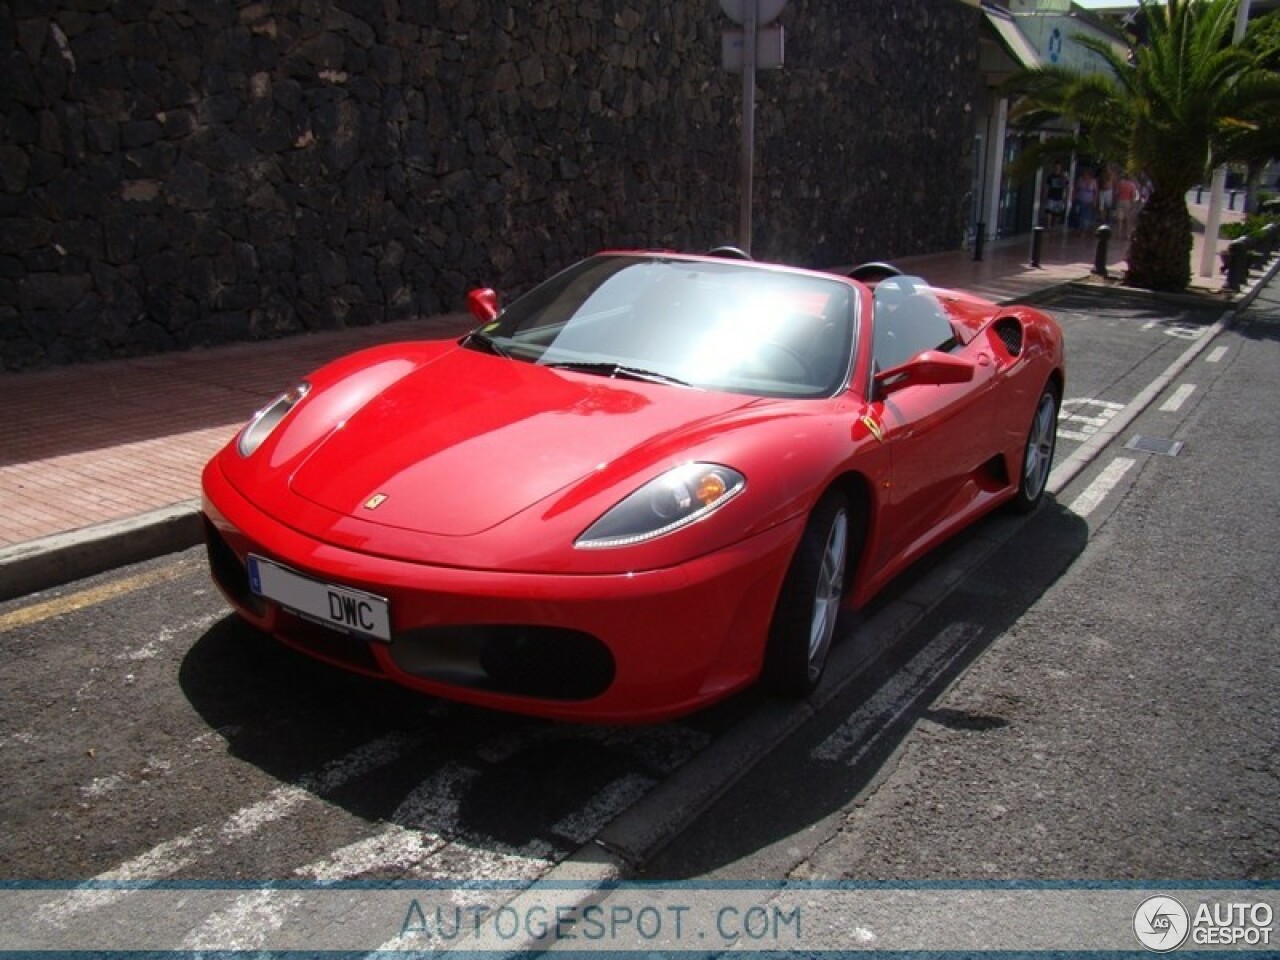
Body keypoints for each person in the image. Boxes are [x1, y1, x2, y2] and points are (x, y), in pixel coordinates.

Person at [1114, 172, 1140, 240]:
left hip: (1120, 201)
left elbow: (1116, 192)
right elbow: (1133, 195)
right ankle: (1127, 235)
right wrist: (1133, 204)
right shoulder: (1132, 185)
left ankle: (1119, 234)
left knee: (1120, 219)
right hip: (1127, 202)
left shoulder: (1120, 183)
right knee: (1127, 219)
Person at [1043, 163, 1069, 229]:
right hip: (1051, 196)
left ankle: (1054, 225)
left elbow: (1067, 186)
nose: (1057, 169)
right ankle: (1048, 225)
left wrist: (1066, 197)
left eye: (1058, 167)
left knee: (1057, 213)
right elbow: (1047, 186)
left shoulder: (1063, 177)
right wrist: (1045, 195)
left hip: (1059, 197)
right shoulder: (1050, 176)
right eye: (1056, 167)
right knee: (1049, 211)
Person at [1074, 167, 1099, 234]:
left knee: (1086, 216)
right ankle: (1079, 228)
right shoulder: (1080, 180)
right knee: (1079, 215)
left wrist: (1094, 201)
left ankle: (1084, 230)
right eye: (1084, 173)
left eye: (1086, 173)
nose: (1085, 175)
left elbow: (1095, 192)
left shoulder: (1093, 181)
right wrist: (1074, 198)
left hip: (1089, 201)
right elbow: (1076, 189)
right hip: (1080, 200)